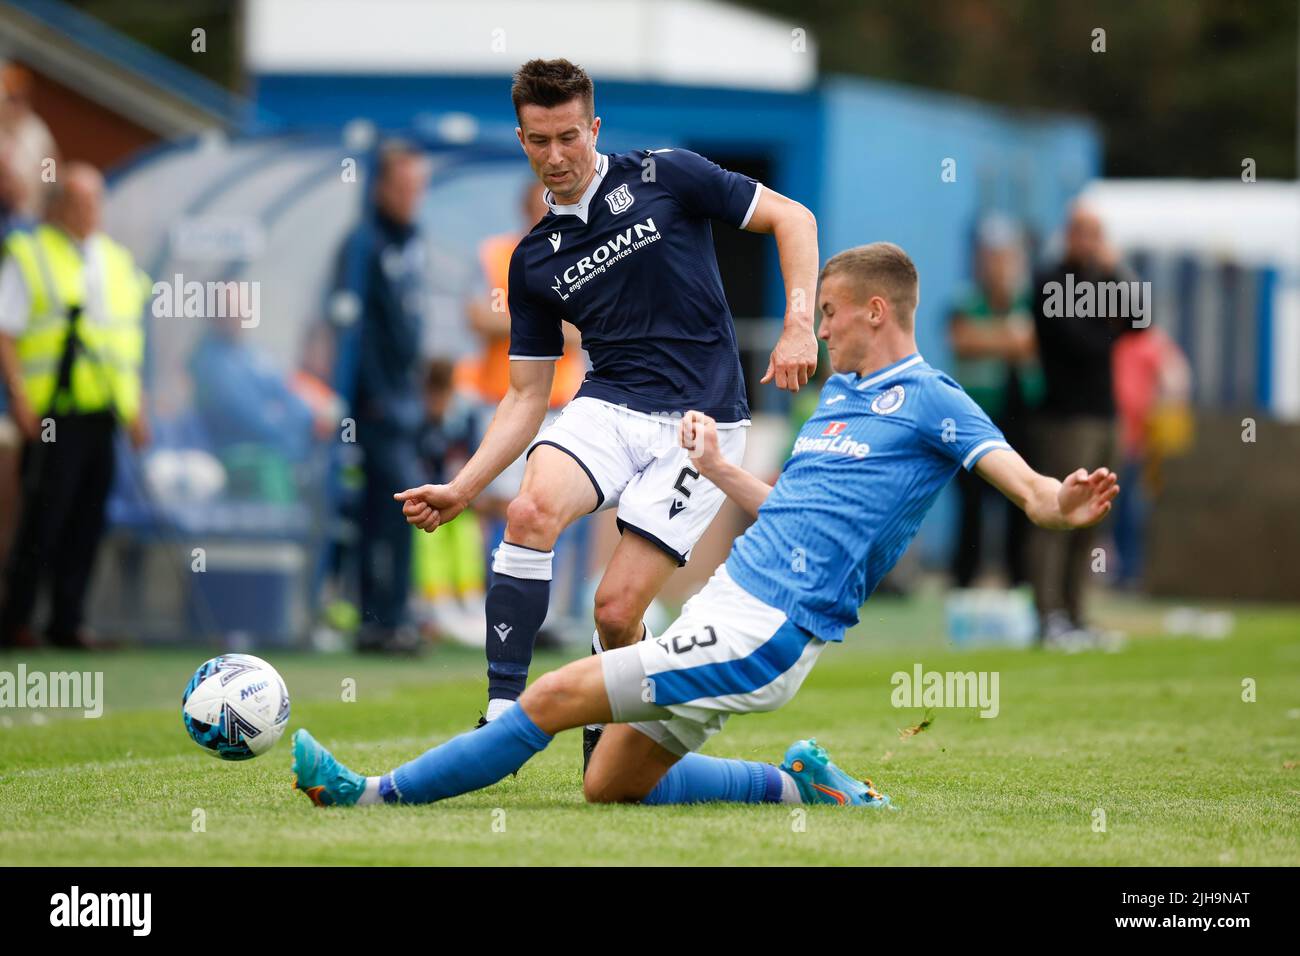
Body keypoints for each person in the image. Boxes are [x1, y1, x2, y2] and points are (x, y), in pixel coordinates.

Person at [291, 242, 1118, 811]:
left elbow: (1032, 493)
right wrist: (722, 471)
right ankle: (804, 787)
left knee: (548, 696)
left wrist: (1060, 500)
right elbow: (791, 509)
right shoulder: (839, 397)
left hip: (770, 631)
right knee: (611, 785)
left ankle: (367, 792)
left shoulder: (934, 398)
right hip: (725, 602)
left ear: (875, 311)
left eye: (827, 314)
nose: (818, 329)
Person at [394, 58, 819, 770]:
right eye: (538, 141)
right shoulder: (531, 263)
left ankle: (610, 727)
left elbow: (791, 217)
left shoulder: (666, 175)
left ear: (594, 127)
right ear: (522, 139)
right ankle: (502, 715)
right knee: (529, 514)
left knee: (616, 614)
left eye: (568, 137)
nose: (555, 156)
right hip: (609, 403)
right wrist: (464, 489)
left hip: (702, 422)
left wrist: (799, 322)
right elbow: (528, 395)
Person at [0, 162, 150, 649]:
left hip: (103, 408)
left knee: (89, 517)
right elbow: (7, 331)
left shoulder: (115, 260)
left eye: (95, 202)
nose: (90, 212)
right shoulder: (30, 254)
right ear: (60, 205)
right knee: (44, 514)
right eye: (80, 202)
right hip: (53, 413)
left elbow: (127, 341)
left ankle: (68, 620)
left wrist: (136, 407)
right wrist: (20, 399)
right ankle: (17, 618)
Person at [331, 141, 433, 654]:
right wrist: (369, 396)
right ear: (379, 187)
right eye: (402, 186)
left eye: (418, 187)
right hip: (374, 407)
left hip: (406, 401)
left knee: (400, 510)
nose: (411, 197)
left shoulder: (411, 241)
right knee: (386, 511)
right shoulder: (362, 243)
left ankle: (394, 616)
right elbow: (354, 329)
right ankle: (380, 620)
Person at [1029, 202, 1131, 644]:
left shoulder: (1105, 279)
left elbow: (1140, 321)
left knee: (1093, 517)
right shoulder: (1049, 280)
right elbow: (1082, 342)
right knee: (1057, 513)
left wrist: (1119, 275)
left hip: (1104, 413)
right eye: (1082, 233)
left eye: (1096, 234)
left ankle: (1076, 613)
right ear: (1068, 235)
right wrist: (1108, 321)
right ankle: (1048, 614)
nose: (1088, 243)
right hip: (1065, 417)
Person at [947, 217, 1041, 586]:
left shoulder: (1028, 299)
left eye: (1005, 257)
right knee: (971, 506)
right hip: (975, 417)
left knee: (1019, 502)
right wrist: (1009, 339)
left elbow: (1032, 344)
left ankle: (1019, 584)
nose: (998, 265)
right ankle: (963, 584)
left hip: (1019, 417)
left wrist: (990, 338)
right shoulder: (965, 299)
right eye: (991, 257)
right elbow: (963, 341)